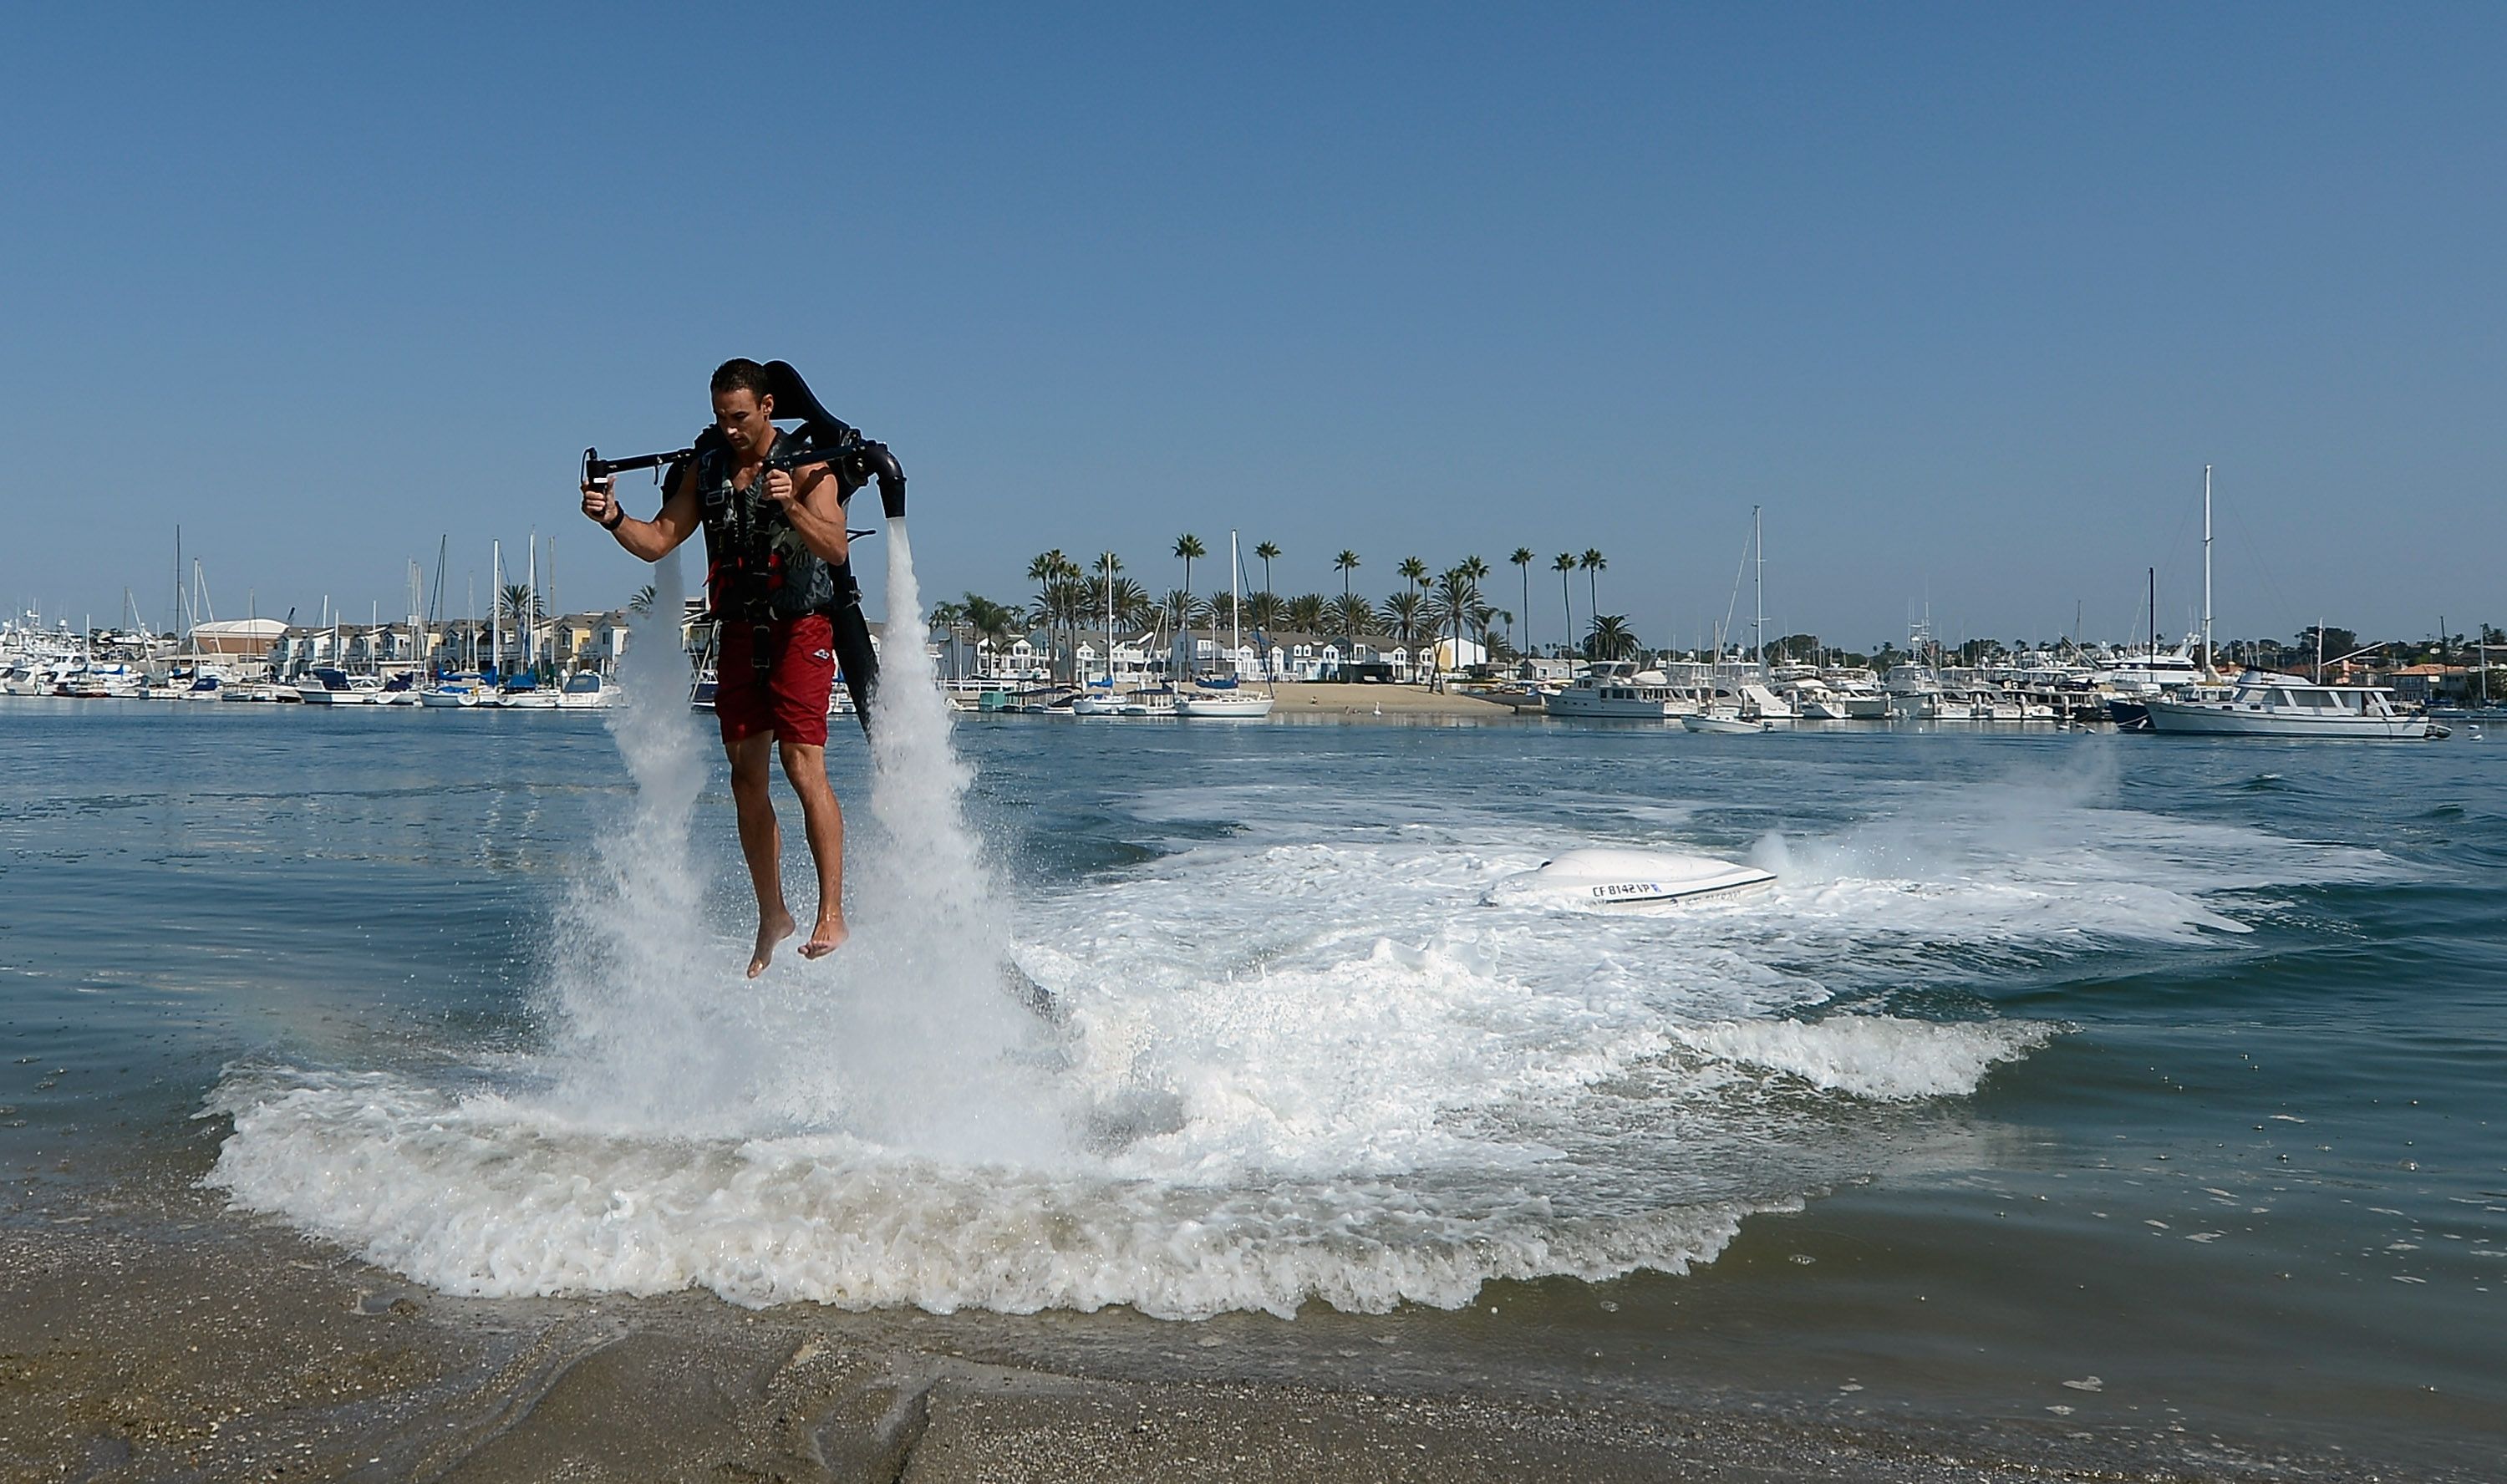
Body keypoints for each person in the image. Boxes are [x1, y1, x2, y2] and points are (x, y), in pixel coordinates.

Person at [581, 359, 854, 975]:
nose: (728, 429)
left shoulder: (807, 465)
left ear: (767, 407)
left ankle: (831, 911)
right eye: (719, 418)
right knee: (743, 778)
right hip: (737, 632)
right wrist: (613, 519)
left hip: (800, 629)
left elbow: (835, 547)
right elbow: (658, 539)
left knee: (801, 763)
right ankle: (772, 913)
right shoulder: (705, 471)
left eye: (738, 417)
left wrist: (794, 508)